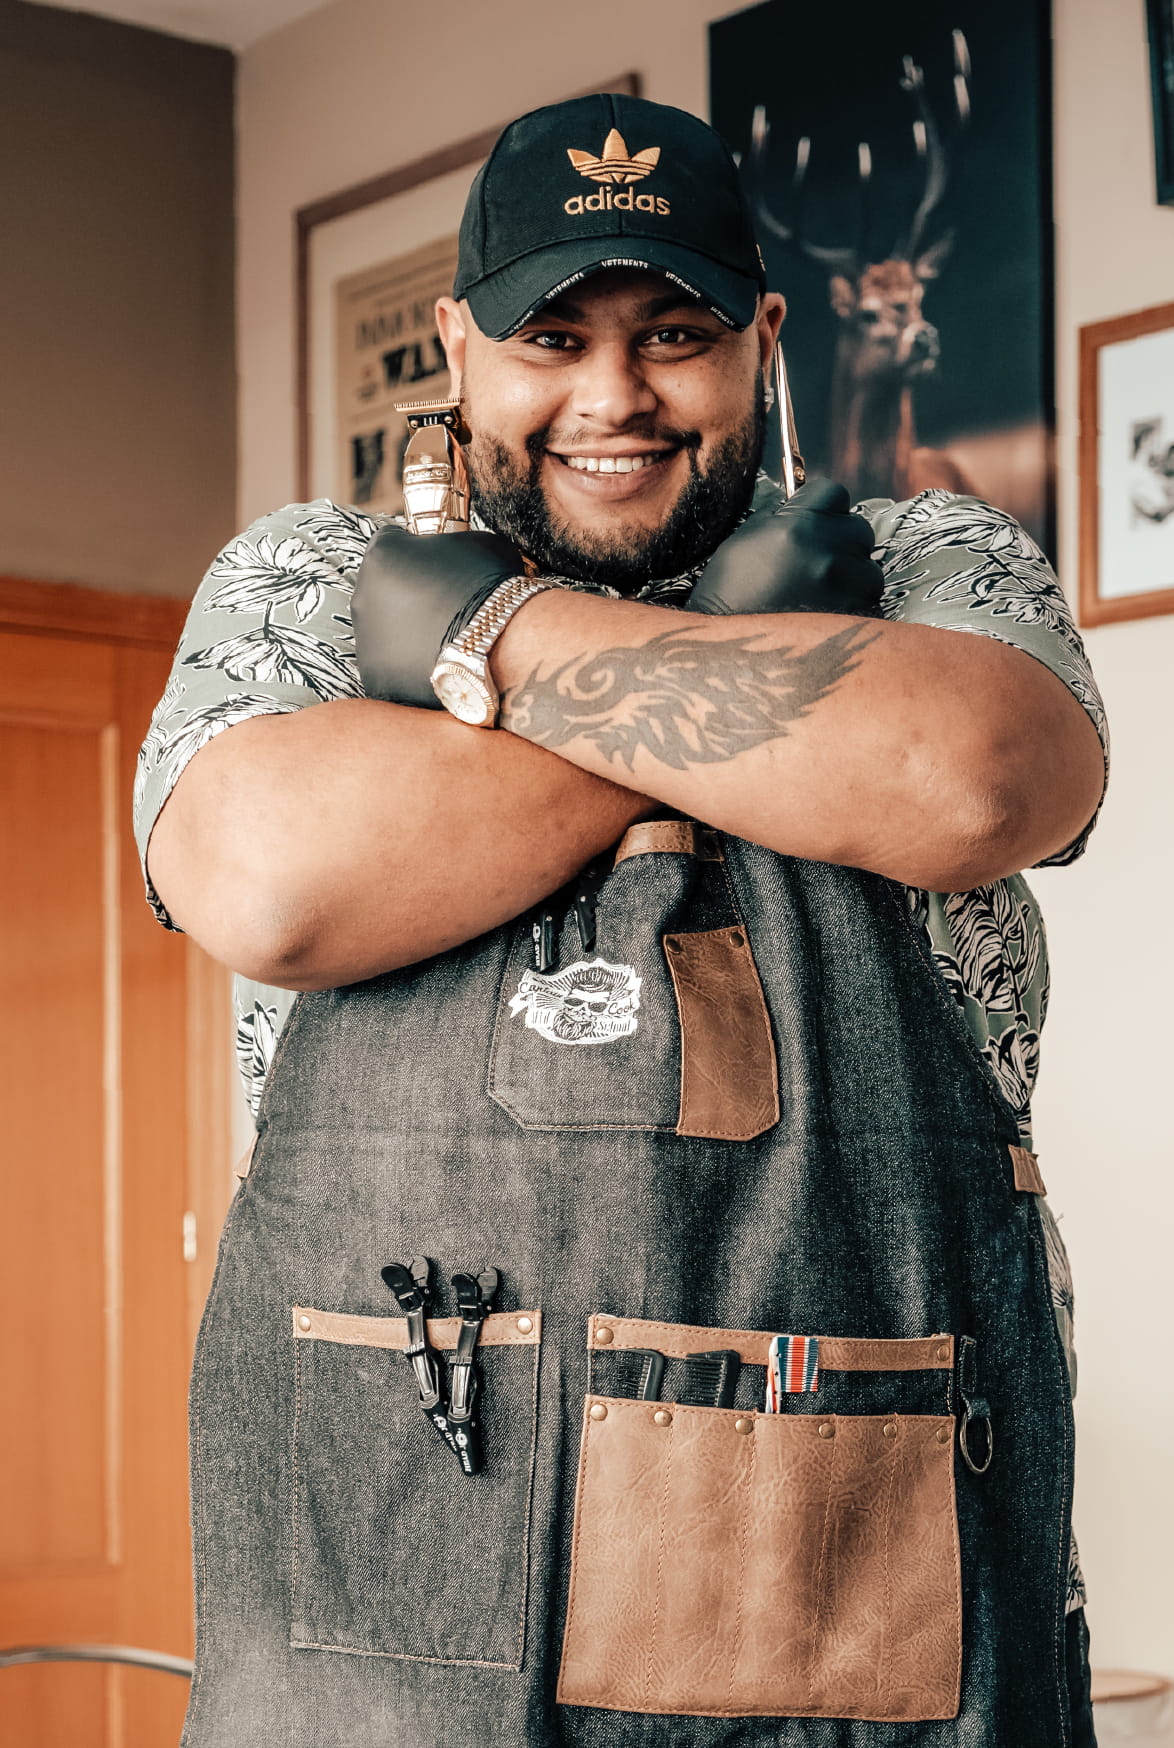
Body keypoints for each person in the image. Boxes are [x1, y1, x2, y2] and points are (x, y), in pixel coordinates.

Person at [135, 93, 1106, 1748]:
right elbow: (269, 884)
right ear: (457, 346)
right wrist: (764, 693)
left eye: (674, 333)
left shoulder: (926, 555)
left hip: (863, 1588)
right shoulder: (306, 579)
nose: (612, 396)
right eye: (549, 337)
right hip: (394, 1594)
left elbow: (971, 784)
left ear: (764, 341)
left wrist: (492, 647)